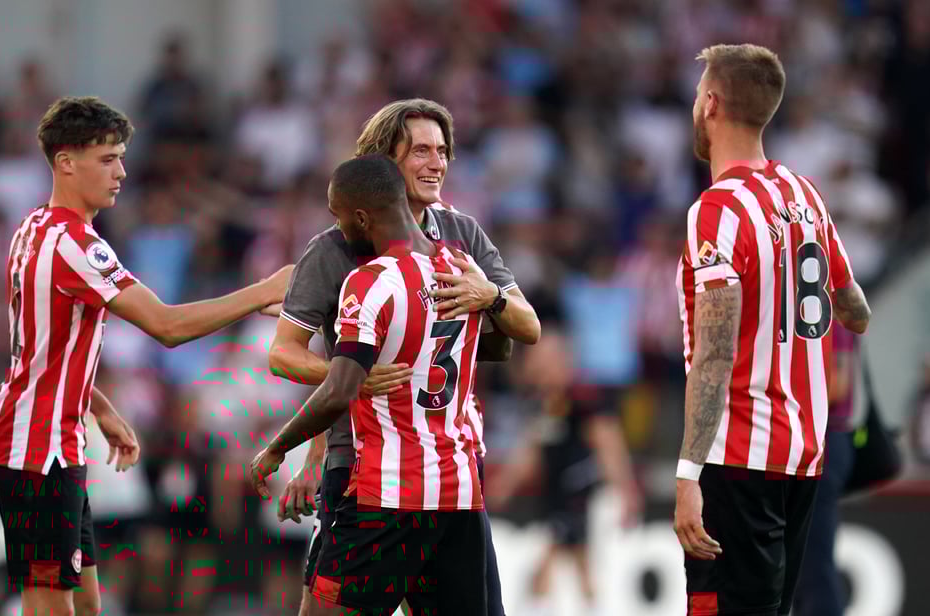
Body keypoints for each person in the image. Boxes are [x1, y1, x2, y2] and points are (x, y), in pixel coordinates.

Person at [0, 96, 292, 616]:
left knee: (87, 604)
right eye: (107, 159)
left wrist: (99, 408)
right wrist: (261, 292)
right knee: (49, 604)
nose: (122, 172)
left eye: (122, 157)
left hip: (54, 433)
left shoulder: (32, 227)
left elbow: (39, 348)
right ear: (66, 162)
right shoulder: (78, 245)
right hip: (35, 443)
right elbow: (167, 326)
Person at [268, 98, 540, 616]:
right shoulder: (334, 248)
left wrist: (492, 297)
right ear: (383, 162)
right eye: (420, 151)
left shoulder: (463, 235)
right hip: (360, 467)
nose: (436, 162)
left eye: (442, 151)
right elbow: (286, 353)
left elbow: (527, 326)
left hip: (450, 470)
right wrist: (343, 398)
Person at [672, 44, 872, 616]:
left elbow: (713, 355)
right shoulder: (805, 196)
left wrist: (688, 475)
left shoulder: (717, 210)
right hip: (805, 455)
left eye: (696, 93)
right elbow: (855, 309)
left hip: (739, 459)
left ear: (710, 104)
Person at [251, 154, 490, 615]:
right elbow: (500, 345)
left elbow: (340, 390)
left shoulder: (370, 282)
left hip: (386, 492)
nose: (338, 229)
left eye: (338, 215)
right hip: (459, 491)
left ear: (361, 217)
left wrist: (279, 447)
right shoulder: (463, 271)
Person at [487, 328, 642, 615]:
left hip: (586, 497)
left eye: (541, 360)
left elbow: (608, 443)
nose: (534, 367)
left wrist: (625, 491)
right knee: (579, 570)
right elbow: (532, 449)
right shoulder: (545, 402)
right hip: (559, 497)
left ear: (561, 360)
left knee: (558, 565)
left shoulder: (583, 398)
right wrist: (504, 485)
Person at [793, 323, 858, 615]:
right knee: (799, 569)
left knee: (814, 566)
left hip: (824, 444)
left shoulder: (829, 309)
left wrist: (781, 394)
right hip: (808, 444)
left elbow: (838, 384)